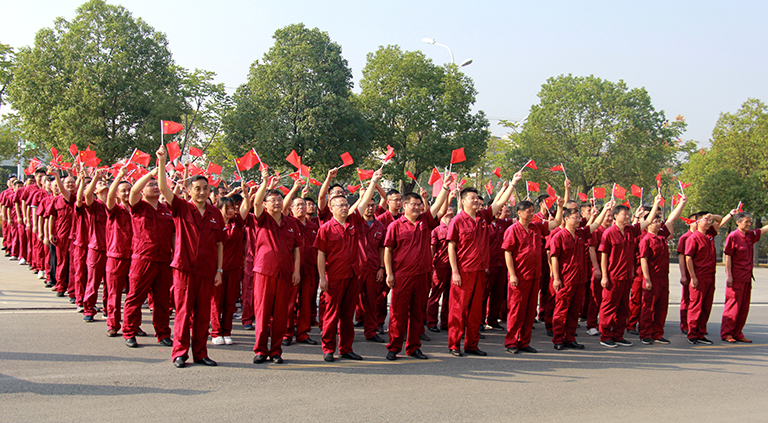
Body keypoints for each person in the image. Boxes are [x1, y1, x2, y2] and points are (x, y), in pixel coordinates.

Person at [157, 146, 225, 368]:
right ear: (189, 191)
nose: (202, 192)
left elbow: (219, 244)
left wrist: (219, 270)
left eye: (206, 188)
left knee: (203, 314)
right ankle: (179, 353)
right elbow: (163, 188)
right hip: (184, 269)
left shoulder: (215, 213)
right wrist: (162, 162)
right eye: (197, 189)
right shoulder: (181, 207)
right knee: (183, 313)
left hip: (207, 271)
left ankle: (201, 353)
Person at [446, 173, 519, 357]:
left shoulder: (483, 218)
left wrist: (512, 183)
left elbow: (499, 204)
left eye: (477, 198)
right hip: (463, 272)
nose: (476, 201)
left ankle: (472, 345)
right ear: (463, 201)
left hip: (480, 272)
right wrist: (455, 272)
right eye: (472, 198)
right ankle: (454, 344)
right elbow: (451, 247)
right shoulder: (457, 221)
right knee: (458, 310)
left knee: (476, 311)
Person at [383, 172, 453, 361]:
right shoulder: (395, 226)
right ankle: (394, 347)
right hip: (402, 276)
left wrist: (445, 188)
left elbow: (437, 206)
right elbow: (388, 251)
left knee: (417, 313)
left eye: (419, 205)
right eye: (413, 204)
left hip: (422, 275)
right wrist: (389, 273)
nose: (416, 207)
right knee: (397, 314)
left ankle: (413, 347)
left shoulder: (425, 222)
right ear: (404, 206)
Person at [314, 169, 382, 362]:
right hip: (334, 277)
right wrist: (322, 278)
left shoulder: (353, 222)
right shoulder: (326, 229)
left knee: (348, 315)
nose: (344, 208)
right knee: (331, 314)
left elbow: (364, 200)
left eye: (346, 205)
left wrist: (373, 181)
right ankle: (328, 349)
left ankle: (346, 348)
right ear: (332, 208)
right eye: (340, 205)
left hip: (353, 275)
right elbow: (321, 254)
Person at [246, 168, 302, 364]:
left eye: (279, 200)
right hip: (264, 271)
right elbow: (255, 202)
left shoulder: (290, 223)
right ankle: (260, 350)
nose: (277, 203)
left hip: (285, 273)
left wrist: (296, 270)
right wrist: (264, 182)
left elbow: (296, 248)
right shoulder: (261, 219)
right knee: (262, 313)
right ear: (265, 204)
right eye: (272, 200)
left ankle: (276, 350)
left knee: (281, 314)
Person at [550, 200, 614, 350]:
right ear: (566, 219)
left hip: (579, 279)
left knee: (574, 311)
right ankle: (558, 338)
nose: (578, 220)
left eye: (579, 217)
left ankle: (570, 338)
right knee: (561, 310)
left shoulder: (580, 233)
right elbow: (554, 258)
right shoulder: (559, 237)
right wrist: (557, 278)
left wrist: (606, 209)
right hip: (565, 280)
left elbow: (596, 224)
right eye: (575, 217)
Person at [597, 196, 660, 348]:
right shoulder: (609, 233)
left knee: (623, 307)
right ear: (615, 216)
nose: (626, 216)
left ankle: (618, 335)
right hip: (613, 276)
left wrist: (657, 203)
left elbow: (647, 220)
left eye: (627, 214)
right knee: (609, 307)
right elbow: (604, 256)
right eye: (623, 214)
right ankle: (605, 336)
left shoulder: (631, 230)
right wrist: (604, 275)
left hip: (627, 276)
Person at [503, 197, 563, 354]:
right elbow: (508, 253)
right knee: (516, 310)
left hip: (534, 276)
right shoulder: (512, 230)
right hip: (520, 276)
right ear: (520, 213)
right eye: (528, 212)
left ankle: (524, 341)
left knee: (530, 311)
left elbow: (556, 223)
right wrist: (512, 274)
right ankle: (511, 342)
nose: (531, 215)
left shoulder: (536, 227)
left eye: (532, 211)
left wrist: (561, 206)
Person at [122, 167, 174, 348]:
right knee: (135, 297)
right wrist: (152, 172)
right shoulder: (138, 206)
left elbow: (173, 236)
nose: (155, 187)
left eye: (156, 184)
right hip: (143, 258)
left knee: (162, 300)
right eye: (150, 184)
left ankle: (163, 333)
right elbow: (134, 190)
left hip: (164, 259)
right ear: (143, 189)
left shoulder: (166, 210)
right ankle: (129, 331)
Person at [637, 195, 687, 345]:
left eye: (659, 221)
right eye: (655, 221)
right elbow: (643, 259)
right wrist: (647, 279)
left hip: (664, 277)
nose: (658, 224)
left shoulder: (662, 237)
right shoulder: (646, 239)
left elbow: (672, 218)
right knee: (648, 307)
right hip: (652, 277)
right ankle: (645, 333)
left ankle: (657, 333)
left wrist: (681, 204)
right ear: (647, 224)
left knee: (662, 306)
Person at [684, 209, 733, 345]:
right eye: (705, 220)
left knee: (706, 306)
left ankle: (701, 333)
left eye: (709, 220)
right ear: (698, 222)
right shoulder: (693, 238)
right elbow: (688, 258)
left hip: (710, 276)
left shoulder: (710, 235)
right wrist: (693, 277)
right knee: (696, 305)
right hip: (699, 276)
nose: (709, 222)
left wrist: (712, 216)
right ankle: (692, 333)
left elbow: (720, 219)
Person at [721, 211, 768, 343]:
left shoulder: (749, 235)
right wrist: (729, 275)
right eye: (746, 221)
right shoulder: (733, 236)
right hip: (736, 277)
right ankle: (727, 333)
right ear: (738, 222)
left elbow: (763, 230)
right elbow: (728, 256)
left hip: (747, 277)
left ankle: (737, 332)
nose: (749, 224)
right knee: (733, 306)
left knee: (744, 307)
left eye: (750, 221)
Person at [281, 183, 319, 346]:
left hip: (309, 269)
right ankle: (286, 333)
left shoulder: (313, 227)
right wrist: (294, 190)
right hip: (292, 270)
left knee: (306, 302)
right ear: (291, 208)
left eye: (303, 205)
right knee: (289, 303)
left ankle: (303, 333)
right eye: (297, 205)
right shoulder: (288, 223)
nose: (301, 208)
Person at [210, 195, 244, 346]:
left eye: (233, 208)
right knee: (216, 302)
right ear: (219, 209)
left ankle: (227, 331)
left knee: (230, 302)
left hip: (234, 268)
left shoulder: (237, 223)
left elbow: (247, 207)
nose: (231, 211)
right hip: (218, 269)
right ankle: (216, 331)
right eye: (227, 208)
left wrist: (246, 193)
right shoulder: (214, 225)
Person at [104, 167, 133, 336]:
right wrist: (119, 177)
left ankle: (132, 324)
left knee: (133, 294)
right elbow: (109, 196)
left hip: (135, 256)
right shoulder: (114, 209)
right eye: (123, 191)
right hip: (116, 255)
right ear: (118, 194)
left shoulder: (138, 209)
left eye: (129, 190)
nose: (127, 193)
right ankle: (113, 324)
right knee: (114, 293)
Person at [81, 169, 110, 322]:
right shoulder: (94, 205)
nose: (102, 184)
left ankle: (108, 309)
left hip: (113, 250)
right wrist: (96, 177)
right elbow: (87, 195)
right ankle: (89, 309)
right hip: (96, 248)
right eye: (99, 184)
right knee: (93, 281)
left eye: (104, 182)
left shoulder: (115, 206)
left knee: (110, 284)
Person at [426, 193, 456, 333]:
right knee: (435, 294)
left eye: (451, 207)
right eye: (447, 208)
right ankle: (431, 321)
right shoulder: (437, 230)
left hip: (453, 266)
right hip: (440, 265)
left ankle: (445, 322)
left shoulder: (454, 227)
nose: (450, 209)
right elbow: (432, 249)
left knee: (450, 296)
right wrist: (431, 266)